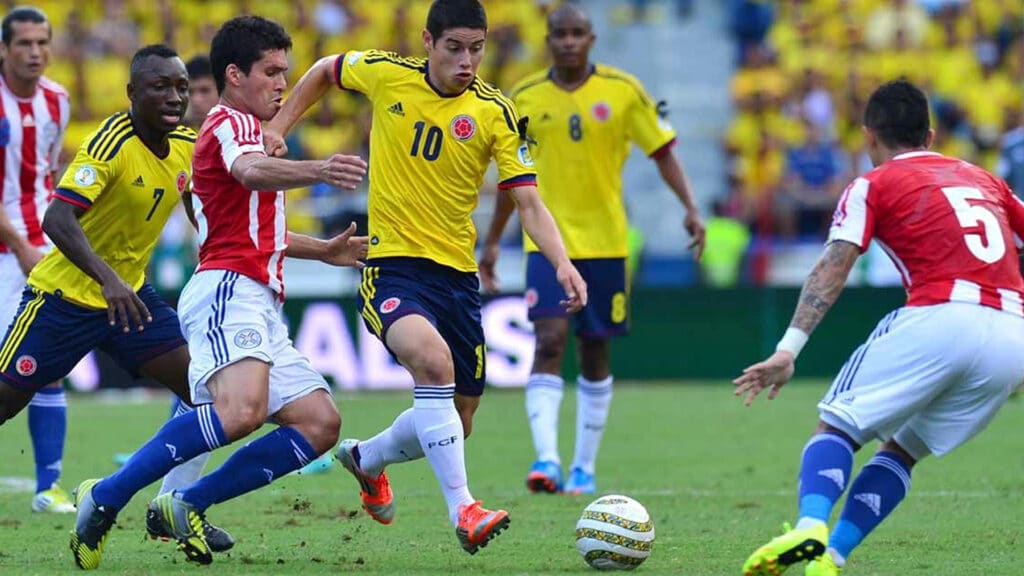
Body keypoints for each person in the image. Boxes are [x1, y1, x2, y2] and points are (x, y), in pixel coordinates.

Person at [265, 0, 587, 555]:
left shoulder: (496, 111)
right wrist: (277, 126)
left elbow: (529, 202)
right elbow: (324, 70)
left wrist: (561, 261)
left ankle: (367, 457)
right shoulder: (388, 74)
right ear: (428, 42)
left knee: (459, 420)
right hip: (392, 267)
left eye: (476, 49)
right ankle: (464, 510)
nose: (467, 61)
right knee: (433, 364)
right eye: (454, 48)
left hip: (457, 280)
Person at [69, 17, 368, 569]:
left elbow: (259, 231)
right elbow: (250, 172)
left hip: (259, 296)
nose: (282, 83)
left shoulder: (251, 128)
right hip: (228, 290)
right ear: (235, 74)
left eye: (285, 71)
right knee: (240, 410)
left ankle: (187, 503)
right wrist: (319, 169)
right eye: (271, 72)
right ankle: (106, 495)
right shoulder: (229, 122)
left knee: (319, 422)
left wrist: (325, 251)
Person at [735, 80, 1024, 576]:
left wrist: (788, 349)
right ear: (930, 135)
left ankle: (810, 526)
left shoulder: (872, 184)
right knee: (903, 451)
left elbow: (835, 264)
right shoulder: (985, 180)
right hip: (1013, 335)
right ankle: (831, 558)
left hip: (940, 314)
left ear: (869, 136)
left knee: (838, 426)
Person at [477, 3, 706, 495]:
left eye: (577, 33)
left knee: (595, 349)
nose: (568, 42)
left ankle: (583, 466)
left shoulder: (623, 91)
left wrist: (690, 207)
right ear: (548, 41)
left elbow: (663, 151)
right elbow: (512, 181)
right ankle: (547, 460)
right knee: (549, 341)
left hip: (606, 243)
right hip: (547, 244)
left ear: (591, 39)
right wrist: (493, 241)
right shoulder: (524, 98)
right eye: (560, 34)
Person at [0, 6, 72, 514]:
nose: (34, 52)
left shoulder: (57, 100)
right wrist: (21, 244)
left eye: (42, 42)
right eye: (23, 43)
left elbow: (46, 175)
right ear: (4, 49)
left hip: (39, 251)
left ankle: (49, 487)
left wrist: (45, 243)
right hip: (9, 251)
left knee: (46, 363)